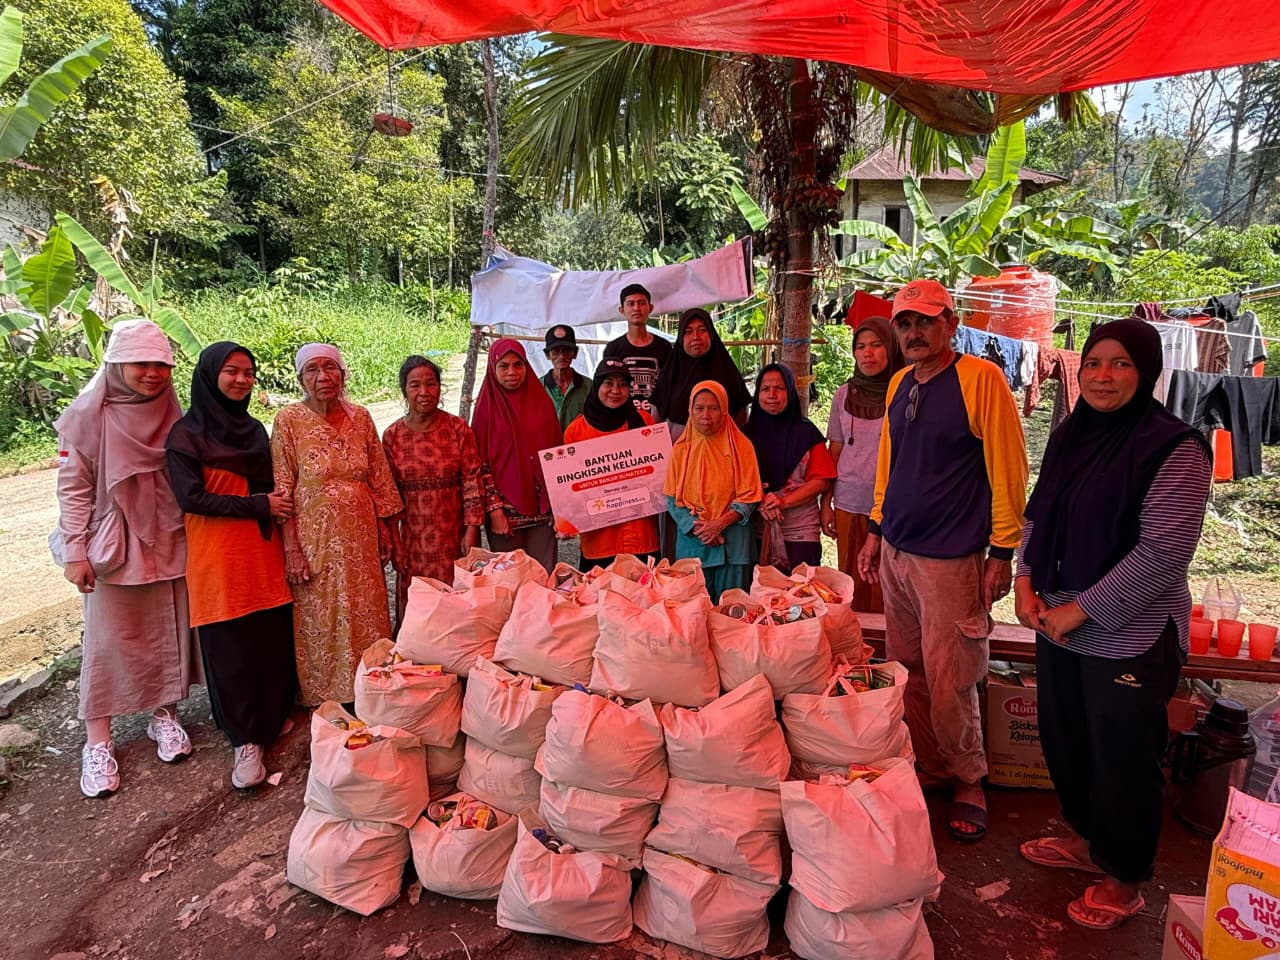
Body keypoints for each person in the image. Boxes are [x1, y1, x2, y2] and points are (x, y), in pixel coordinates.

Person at [1014, 319, 1212, 930]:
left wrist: (1082, 609)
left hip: (1127, 632)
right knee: (1066, 738)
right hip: (1057, 620)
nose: (1102, 376)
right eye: (1095, 362)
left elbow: (1162, 554)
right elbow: (1038, 510)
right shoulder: (1073, 431)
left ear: (1147, 371)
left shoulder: (1174, 447)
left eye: (1121, 364)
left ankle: (1124, 877)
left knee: (1121, 755)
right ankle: (1087, 841)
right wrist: (1025, 579)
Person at [856, 279, 1027, 842]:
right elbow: (890, 464)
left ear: (950, 325)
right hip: (899, 553)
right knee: (910, 671)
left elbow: (1008, 470)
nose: (913, 333)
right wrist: (876, 531)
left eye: (925, 322)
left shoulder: (982, 381)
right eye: (904, 323)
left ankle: (969, 778)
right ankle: (930, 764)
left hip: (952, 559)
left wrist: (1001, 552)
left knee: (953, 676)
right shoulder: (900, 383)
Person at [52, 318, 202, 798]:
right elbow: (73, 489)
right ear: (116, 364)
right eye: (141, 363)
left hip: (171, 536)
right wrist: (76, 552)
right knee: (109, 642)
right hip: (116, 545)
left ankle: (165, 716)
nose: (153, 373)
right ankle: (98, 742)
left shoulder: (170, 410)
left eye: (161, 364)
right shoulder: (88, 416)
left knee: (169, 631)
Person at [165, 342, 297, 789]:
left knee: (269, 641)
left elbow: (278, 488)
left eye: (248, 373)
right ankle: (245, 742)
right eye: (232, 372)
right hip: (218, 558)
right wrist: (258, 504)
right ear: (209, 376)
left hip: (262, 555)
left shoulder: (254, 430)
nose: (242, 380)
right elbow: (192, 499)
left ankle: (272, 717)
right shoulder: (186, 435)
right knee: (231, 651)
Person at [271, 344, 403, 706]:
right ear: (301, 378)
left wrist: (387, 532)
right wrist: (291, 549)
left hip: (361, 534)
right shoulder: (288, 421)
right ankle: (326, 696)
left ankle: (371, 685)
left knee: (367, 609)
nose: (322, 377)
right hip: (314, 539)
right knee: (321, 612)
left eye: (330, 368)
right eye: (312, 370)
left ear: (343, 375)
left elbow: (379, 479)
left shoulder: (361, 417)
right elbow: (282, 490)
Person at [382, 356, 484, 622]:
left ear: (440, 388)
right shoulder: (393, 436)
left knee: (459, 608)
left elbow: (472, 481)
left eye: (431, 384)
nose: (424, 392)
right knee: (419, 613)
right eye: (415, 385)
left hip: (456, 537)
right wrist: (396, 542)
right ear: (404, 391)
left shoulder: (458, 429)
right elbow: (390, 496)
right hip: (414, 544)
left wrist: (472, 529)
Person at [821, 316, 904, 611]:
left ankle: (887, 650)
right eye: (860, 347)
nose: (867, 353)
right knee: (850, 578)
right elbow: (836, 449)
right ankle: (855, 645)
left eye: (876, 345)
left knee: (886, 584)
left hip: (890, 508)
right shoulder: (844, 394)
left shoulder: (904, 393)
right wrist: (825, 502)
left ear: (891, 348)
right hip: (847, 502)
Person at [663, 380, 763, 601]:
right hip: (693, 544)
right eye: (699, 408)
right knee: (694, 614)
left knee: (732, 613)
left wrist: (719, 524)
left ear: (724, 411)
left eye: (713, 408)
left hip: (732, 544)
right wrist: (698, 528)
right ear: (690, 410)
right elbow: (672, 497)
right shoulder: (682, 449)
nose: (706, 415)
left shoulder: (741, 446)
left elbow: (751, 495)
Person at [473, 337, 563, 573]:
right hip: (505, 515)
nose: (511, 372)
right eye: (503, 366)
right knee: (508, 581)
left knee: (543, 578)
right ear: (493, 369)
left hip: (542, 511)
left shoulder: (542, 404)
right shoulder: (485, 409)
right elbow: (479, 464)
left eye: (518, 365)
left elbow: (556, 457)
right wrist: (495, 511)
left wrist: (559, 506)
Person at [563, 358, 660, 569]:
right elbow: (570, 488)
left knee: (645, 599)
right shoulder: (576, 431)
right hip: (599, 540)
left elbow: (659, 477)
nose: (615, 390)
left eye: (622, 384)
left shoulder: (644, 423)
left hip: (640, 536)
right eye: (608, 383)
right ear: (597, 385)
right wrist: (566, 520)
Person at [744, 362, 835, 573]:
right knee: (760, 599)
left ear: (790, 393)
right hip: (756, 529)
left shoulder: (807, 433)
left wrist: (783, 501)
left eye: (780, 388)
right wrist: (760, 500)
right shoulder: (743, 437)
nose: (772, 395)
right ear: (757, 393)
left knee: (800, 596)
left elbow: (821, 480)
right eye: (765, 389)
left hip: (800, 530)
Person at [651, 307, 751, 437]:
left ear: (711, 333)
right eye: (688, 331)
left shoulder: (728, 372)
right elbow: (656, 421)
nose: (696, 337)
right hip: (678, 451)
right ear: (681, 337)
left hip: (720, 449)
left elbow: (741, 418)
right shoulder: (671, 373)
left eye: (702, 330)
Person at [603, 283, 671, 415]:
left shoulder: (664, 347)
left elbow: (670, 385)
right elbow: (608, 386)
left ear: (650, 308)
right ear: (622, 310)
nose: (636, 308)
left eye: (641, 303)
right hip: (623, 419)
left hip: (656, 420)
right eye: (631, 304)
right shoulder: (613, 349)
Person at [540, 325, 589, 431]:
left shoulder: (589, 387)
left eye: (567, 351)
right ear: (547, 355)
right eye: (555, 351)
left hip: (581, 445)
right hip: (549, 446)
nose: (561, 356)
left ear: (575, 353)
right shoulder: (537, 388)